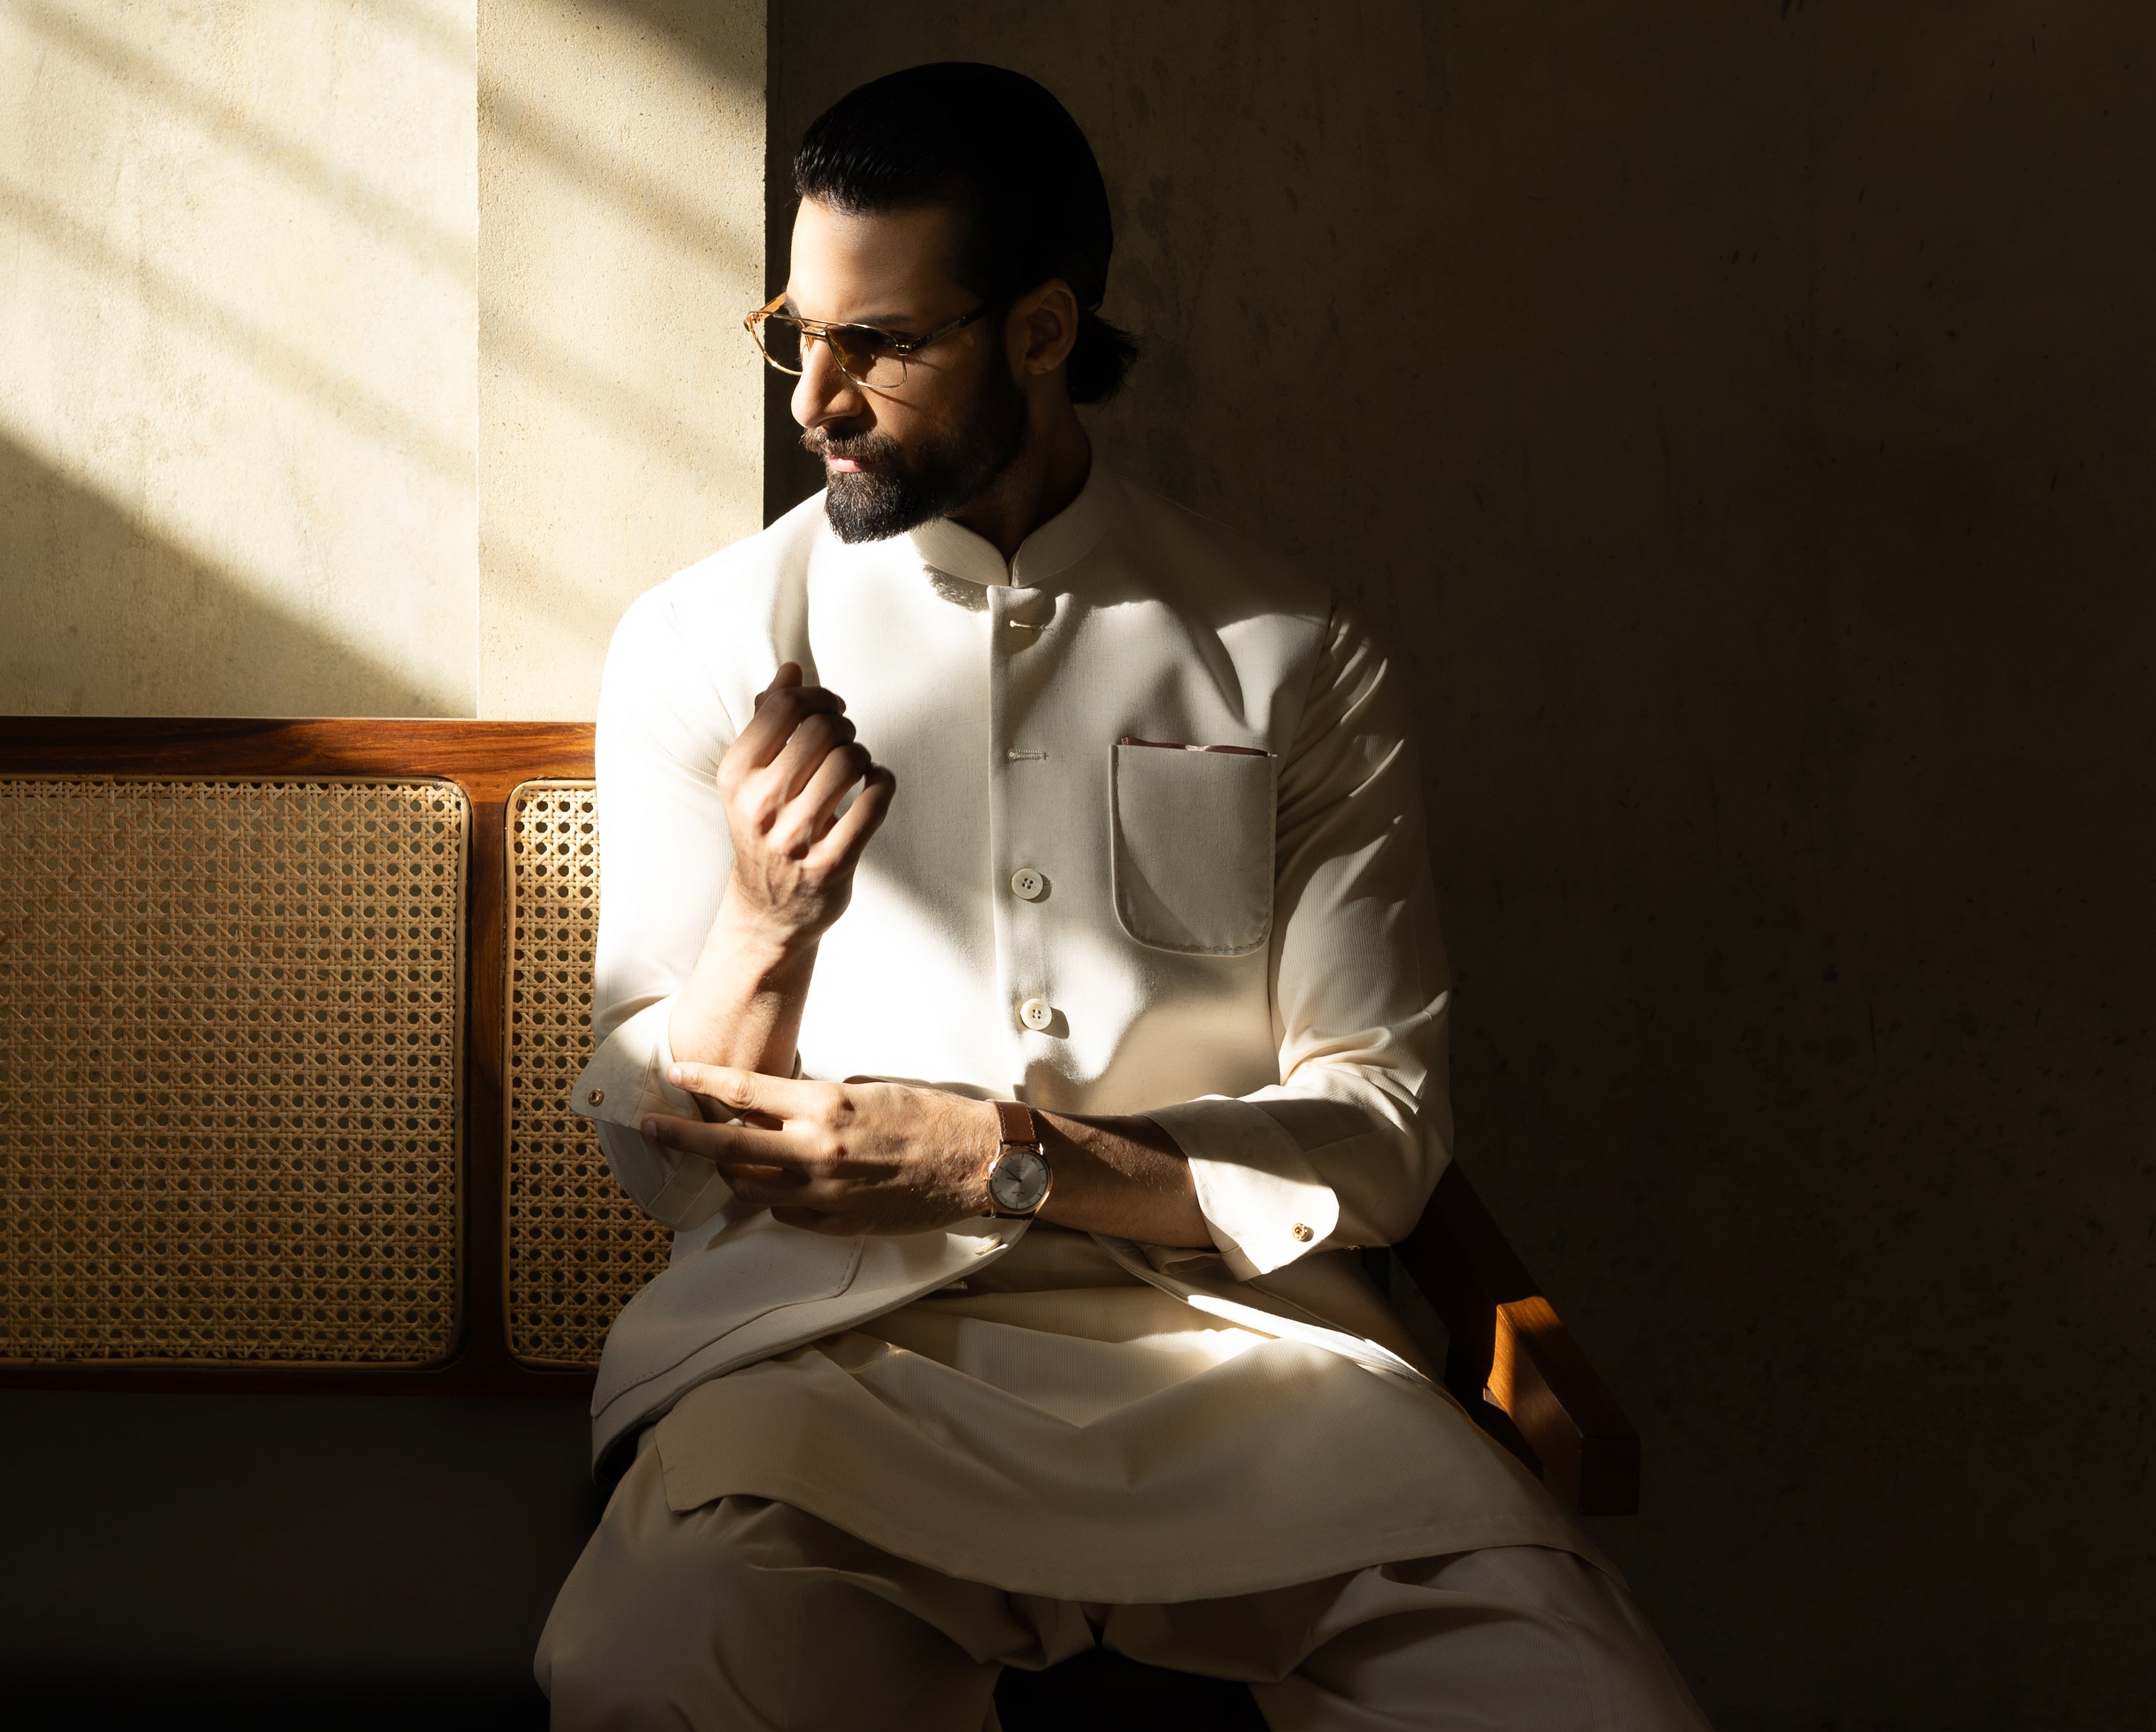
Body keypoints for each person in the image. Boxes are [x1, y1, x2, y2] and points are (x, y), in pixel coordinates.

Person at [535, 61, 1708, 1731]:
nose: (815, 402)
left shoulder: (1294, 657)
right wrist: (766, 921)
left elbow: (1382, 1131)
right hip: (823, 1360)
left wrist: (998, 1155)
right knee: (667, 1669)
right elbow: (663, 1165)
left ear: (1042, 329)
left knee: (1588, 1707)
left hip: (1257, 1360)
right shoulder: (703, 642)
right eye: (795, 333)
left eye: (881, 344)